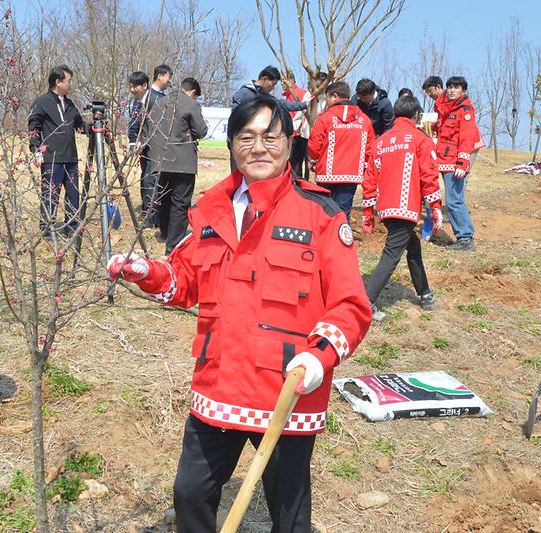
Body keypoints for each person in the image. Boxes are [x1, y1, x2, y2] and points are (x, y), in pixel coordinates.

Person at [107, 97, 371, 532]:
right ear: (231, 145)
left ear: (290, 144)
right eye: (246, 137)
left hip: (286, 389)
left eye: (270, 136)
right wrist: (148, 273)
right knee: (190, 494)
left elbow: (351, 306)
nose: (259, 147)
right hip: (220, 384)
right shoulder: (210, 209)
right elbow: (184, 280)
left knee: (289, 512)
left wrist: (319, 356)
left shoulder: (321, 213)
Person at [361, 96, 443, 320]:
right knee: (391, 255)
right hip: (405, 208)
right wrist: (435, 207)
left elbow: (369, 178)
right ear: (416, 115)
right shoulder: (420, 139)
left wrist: (368, 212)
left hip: (386, 208)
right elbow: (429, 175)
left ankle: (425, 293)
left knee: (412, 248)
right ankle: (365, 303)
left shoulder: (381, 141)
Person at [144, 77, 208, 254]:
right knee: (180, 203)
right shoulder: (190, 104)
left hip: (160, 159)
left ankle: (165, 233)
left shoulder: (159, 102)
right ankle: (174, 244)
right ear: (193, 92)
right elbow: (201, 131)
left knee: (164, 198)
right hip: (182, 161)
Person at [28, 65, 85, 239]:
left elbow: (79, 125)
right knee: (51, 194)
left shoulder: (69, 103)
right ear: (58, 82)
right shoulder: (42, 102)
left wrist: (96, 128)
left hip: (71, 157)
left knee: (73, 193)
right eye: (68, 81)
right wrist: (36, 149)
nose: (70, 85)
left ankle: (71, 226)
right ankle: (47, 228)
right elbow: (33, 127)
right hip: (52, 157)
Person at [308, 81, 375, 219]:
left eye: (327, 98)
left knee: (324, 210)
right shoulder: (364, 120)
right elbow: (370, 149)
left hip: (326, 173)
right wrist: (363, 168)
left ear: (334, 96)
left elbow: (315, 144)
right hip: (351, 175)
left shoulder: (325, 118)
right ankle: (341, 238)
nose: (326, 102)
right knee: (343, 213)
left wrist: (313, 161)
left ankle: (322, 239)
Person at [434, 76, 480, 250]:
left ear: (464, 90)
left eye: (456, 87)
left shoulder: (465, 110)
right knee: (453, 199)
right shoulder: (447, 107)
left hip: (455, 161)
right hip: (445, 158)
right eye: (450, 87)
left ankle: (465, 238)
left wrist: (462, 163)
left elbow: (467, 138)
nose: (452, 90)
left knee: (454, 200)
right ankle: (464, 237)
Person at [127, 70, 156, 226]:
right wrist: (133, 141)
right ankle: (147, 212)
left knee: (150, 180)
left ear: (144, 85)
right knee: (145, 178)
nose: (132, 90)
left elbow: (154, 127)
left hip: (153, 148)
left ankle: (151, 215)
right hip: (143, 148)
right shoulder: (136, 102)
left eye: (135, 86)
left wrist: (142, 141)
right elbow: (134, 124)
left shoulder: (154, 101)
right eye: (130, 86)